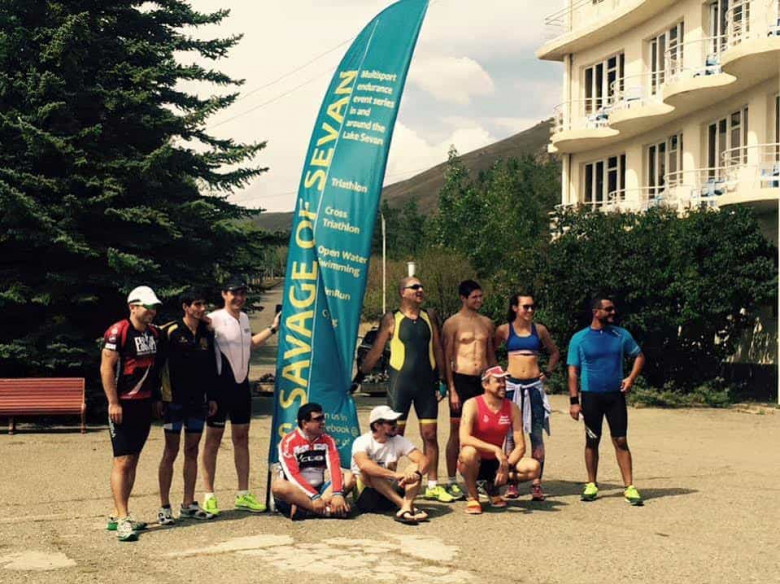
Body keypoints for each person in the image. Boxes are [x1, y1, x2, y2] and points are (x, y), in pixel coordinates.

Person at [358, 276, 453, 503]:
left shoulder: (430, 316)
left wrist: (442, 379)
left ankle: (432, 485)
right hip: (400, 384)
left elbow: (437, 348)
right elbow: (377, 349)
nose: (420, 290)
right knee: (393, 435)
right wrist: (359, 375)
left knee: (430, 435)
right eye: (415, 287)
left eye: (421, 286)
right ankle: (388, 485)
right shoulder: (392, 318)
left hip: (425, 385)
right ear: (403, 292)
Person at [201, 278, 280, 515]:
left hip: (241, 388)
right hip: (219, 389)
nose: (239, 298)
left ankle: (243, 494)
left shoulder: (244, 318)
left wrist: (273, 328)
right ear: (224, 294)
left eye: (242, 294)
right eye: (234, 293)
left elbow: (249, 344)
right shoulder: (213, 318)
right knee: (213, 440)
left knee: (242, 438)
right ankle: (208, 495)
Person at [567, 297, 646, 506]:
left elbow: (639, 356)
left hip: (615, 396)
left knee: (621, 440)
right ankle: (591, 483)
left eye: (613, 309)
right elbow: (573, 371)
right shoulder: (579, 338)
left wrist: (630, 379)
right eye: (608, 309)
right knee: (592, 440)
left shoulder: (621, 335)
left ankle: (629, 487)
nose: (613, 312)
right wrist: (574, 401)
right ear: (596, 312)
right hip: (591, 395)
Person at [100, 285, 163, 541]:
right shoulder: (118, 331)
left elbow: (155, 369)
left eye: (154, 308)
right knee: (122, 460)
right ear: (133, 307)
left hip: (143, 404)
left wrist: (156, 398)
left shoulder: (154, 334)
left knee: (133, 459)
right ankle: (123, 518)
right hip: (123, 404)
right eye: (147, 307)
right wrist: (113, 402)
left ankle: (118, 513)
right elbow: (106, 368)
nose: (152, 311)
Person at [156, 291, 218, 525]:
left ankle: (188, 504)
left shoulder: (206, 333)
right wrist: (157, 398)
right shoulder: (171, 331)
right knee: (170, 452)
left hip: (197, 402)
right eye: (197, 304)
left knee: (192, 451)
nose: (202, 308)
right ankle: (164, 507)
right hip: (173, 401)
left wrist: (212, 397)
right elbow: (157, 365)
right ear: (185, 307)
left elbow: (210, 368)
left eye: (204, 304)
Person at [494, 293, 560, 500]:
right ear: (515, 308)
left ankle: (536, 483)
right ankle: (512, 482)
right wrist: (498, 372)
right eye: (526, 307)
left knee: (536, 435)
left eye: (532, 306)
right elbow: (489, 351)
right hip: (512, 387)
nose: (530, 310)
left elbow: (554, 352)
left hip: (533, 388)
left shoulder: (539, 330)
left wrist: (547, 372)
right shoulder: (504, 330)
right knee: (511, 436)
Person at [458, 365, 541, 515]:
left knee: (533, 467)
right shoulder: (472, 404)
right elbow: (464, 438)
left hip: (496, 462)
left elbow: (520, 446)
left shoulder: (512, 407)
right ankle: (473, 496)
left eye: (504, 381)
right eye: (498, 381)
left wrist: (506, 466)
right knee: (468, 453)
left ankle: (491, 487)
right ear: (485, 384)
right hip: (475, 460)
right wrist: (495, 449)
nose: (503, 385)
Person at [441, 280, 496, 501]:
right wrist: (451, 389)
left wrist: (497, 381)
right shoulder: (452, 323)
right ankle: (452, 481)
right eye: (474, 297)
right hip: (461, 379)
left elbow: (490, 355)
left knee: (482, 430)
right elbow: (447, 358)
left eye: (480, 296)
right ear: (463, 298)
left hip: (481, 380)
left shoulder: (487, 323)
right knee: (457, 431)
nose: (479, 300)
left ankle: (481, 479)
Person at [272, 403, 354, 519]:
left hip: (320, 491)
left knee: (350, 477)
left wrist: (337, 494)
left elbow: (334, 468)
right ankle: (327, 511)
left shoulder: (328, 440)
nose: (323, 422)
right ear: (305, 423)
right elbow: (293, 475)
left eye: (323, 418)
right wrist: (314, 496)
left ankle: (307, 510)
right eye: (318, 419)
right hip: (297, 492)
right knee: (278, 486)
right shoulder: (288, 442)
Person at [351, 405, 430, 525]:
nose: (396, 425)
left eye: (395, 421)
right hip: (367, 497)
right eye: (391, 422)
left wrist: (416, 474)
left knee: (414, 467)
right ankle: (406, 506)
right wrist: (396, 475)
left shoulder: (399, 440)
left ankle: (406, 507)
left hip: (389, 494)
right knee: (371, 470)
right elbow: (363, 465)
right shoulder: (362, 441)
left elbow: (423, 460)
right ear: (377, 426)